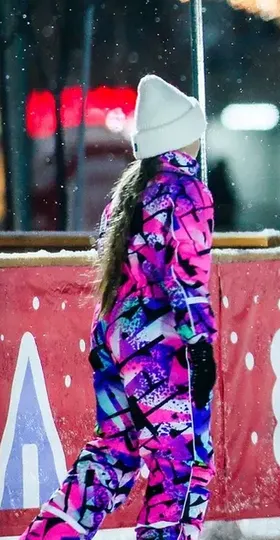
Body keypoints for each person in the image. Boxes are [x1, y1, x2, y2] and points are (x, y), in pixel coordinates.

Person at [21, 74, 217, 540]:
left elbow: (119, 276)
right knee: (183, 466)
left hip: (114, 338)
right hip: (162, 350)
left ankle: (49, 535)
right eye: (196, 128)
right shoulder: (186, 194)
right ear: (180, 134)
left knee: (115, 452)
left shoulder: (128, 196)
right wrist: (200, 345)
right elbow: (186, 281)